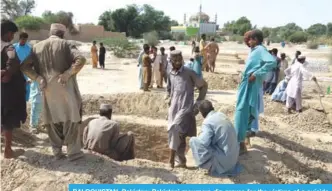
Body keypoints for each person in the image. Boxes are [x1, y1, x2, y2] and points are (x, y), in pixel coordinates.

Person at [21, 23, 86, 161]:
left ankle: (57, 152)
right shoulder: (66, 44)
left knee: (52, 119)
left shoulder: (37, 47)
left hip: (47, 89)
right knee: (71, 117)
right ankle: (73, 153)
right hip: (65, 87)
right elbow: (81, 59)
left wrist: (38, 78)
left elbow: (24, 67)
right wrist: (67, 74)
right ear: (62, 34)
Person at [234, 29, 277, 154]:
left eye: (249, 39)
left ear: (255, 40)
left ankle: (239, 143)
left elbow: (272, 62)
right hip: (247, 83)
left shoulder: (260, 50)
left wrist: (257, 73)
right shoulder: (254, 51)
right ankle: (244, 141)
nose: (248, 42)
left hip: (250, 84)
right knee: (246, 112)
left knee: (241, 112)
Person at [166, 50, 208, 168]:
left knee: (174, 128)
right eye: (176, 61)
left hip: (186, 108)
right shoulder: (170, 73)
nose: (178, 63)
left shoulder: (189, 72)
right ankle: (182, 161)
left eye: (180, 60)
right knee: (179, 135)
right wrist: (167, 98)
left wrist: (198, 103)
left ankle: (171, 161)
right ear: (171, 62)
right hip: (174, 108)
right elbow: (169, 89)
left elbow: (203, 86)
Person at [189, 100, 239, 176]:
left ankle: (208, 165)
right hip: (234, 158)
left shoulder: (208, 121)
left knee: (193, 141)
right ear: (212, 108)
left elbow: (203, 143)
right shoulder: (221, 115)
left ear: (202, 113)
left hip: (225, 163)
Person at [1, 20, 26, 158]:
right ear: (8, 33)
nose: (13, 37)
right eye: (12, 34)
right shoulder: (9, 47)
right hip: (8, 91)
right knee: (8, 120)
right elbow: (13, 63)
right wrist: (7, 73)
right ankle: (8, 150)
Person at [13, 32, 31, 102]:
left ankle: (25, 101)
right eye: (23, 39)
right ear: (19, 39)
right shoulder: (13, 47)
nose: (24, 41)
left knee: (27, 87)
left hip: (26, 71)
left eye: (25, 39)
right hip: (16, 70)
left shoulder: (29, 48)